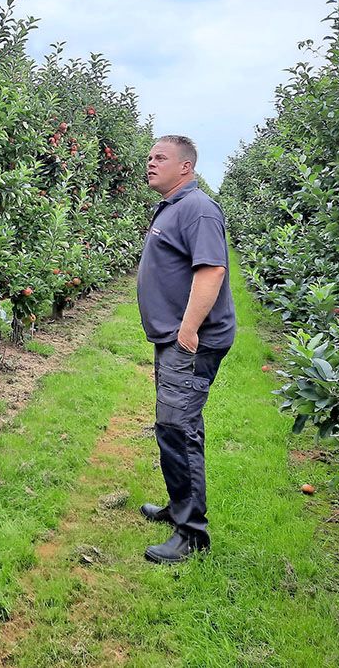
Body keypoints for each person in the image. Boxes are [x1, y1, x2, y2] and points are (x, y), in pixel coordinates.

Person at [136, 135, 236, 564]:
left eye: (161, 158)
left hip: (189, 342)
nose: (151, 162)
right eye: (150, 157)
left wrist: (188, 331)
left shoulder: (198, 209)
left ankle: (191, 533)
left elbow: (211, 271)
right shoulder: (174, 207)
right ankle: (179, 507)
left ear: (186, 167)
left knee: (179, 428)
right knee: (172, 425)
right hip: (174, 339)